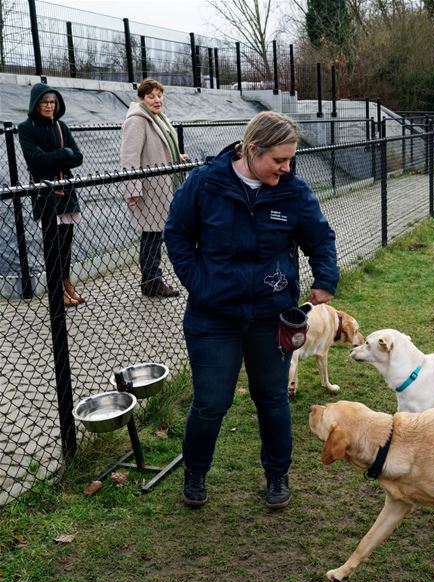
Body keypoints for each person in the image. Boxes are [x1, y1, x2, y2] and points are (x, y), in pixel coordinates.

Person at [164, 111, 339, 509]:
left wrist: (325, 278)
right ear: (253, 149)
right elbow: (176, 234)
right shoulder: (204, 183)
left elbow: (320, 236)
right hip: (213, 317)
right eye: (279, 159)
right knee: (211, 401)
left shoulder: (292, 190)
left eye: (291, 159)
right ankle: (195, 473)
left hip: (269, 316)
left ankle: (277, 476)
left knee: (272, 396)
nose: (286, 167)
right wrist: (198, 282)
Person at [18, 83, 85, 307]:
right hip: (45, 193)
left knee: (66, 242)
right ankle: (56, 290)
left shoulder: (61, 126)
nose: (49, 106)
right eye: (45, 102)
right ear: (36, 104)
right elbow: (34, 160)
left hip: (66, 190)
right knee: (52, 244)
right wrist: (62, 154)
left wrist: (57, 156)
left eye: (52, 102)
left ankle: (66, 283)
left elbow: (77, 158)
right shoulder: (26, 128)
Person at [120, 78, 188, 298]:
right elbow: (129, 157)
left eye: (160, 95)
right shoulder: (137, 120)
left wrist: (177, 157)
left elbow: (161, 147)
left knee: (156, 236)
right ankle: (151, 282)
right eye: (151, 96)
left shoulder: (159, 118)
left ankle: (153, 280)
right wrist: (133, 189)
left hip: (164, 187)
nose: (157, 100)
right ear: (142, 98)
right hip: (149, 190)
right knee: (151, 236)